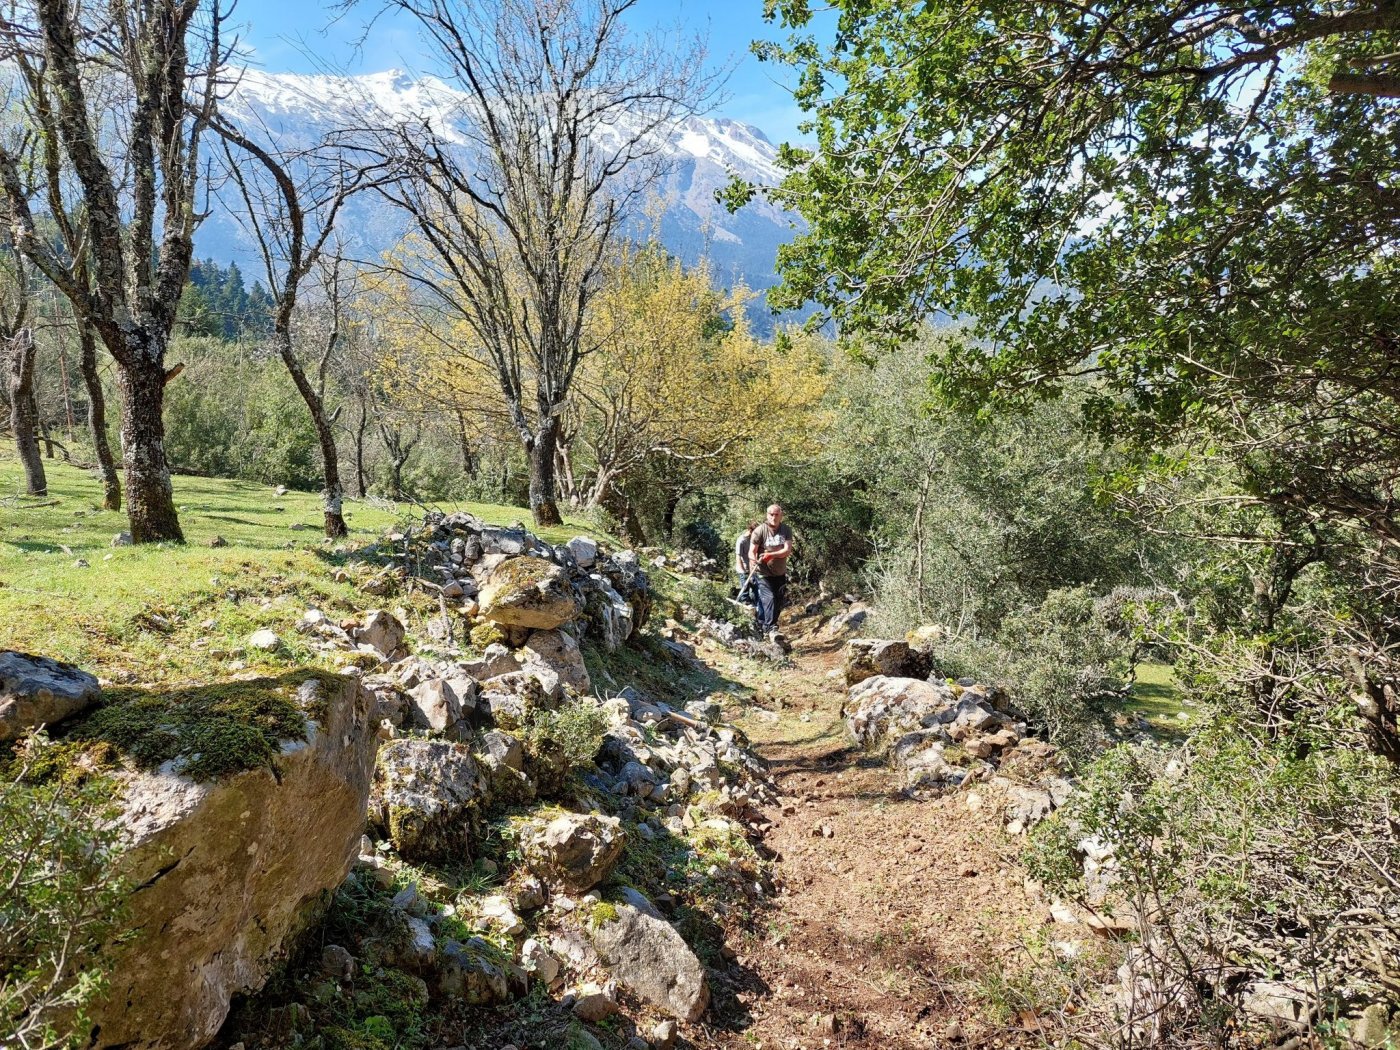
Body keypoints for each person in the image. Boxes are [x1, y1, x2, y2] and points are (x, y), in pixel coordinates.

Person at [748, 504, 794, 640]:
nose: (774, 517)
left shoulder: (786, 530)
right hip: (763, 573)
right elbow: (752, 551)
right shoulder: (759, 531)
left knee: (778, 601)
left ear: (781, 516)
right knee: (769, 598)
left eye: (776, 514)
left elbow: (787, 550)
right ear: (767, 515)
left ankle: (766, 626)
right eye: (771, 514)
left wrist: (772, 555)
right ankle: (771, 628)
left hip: (780, 573)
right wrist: (753, 559)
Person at [734, 520, 759, 604]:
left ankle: (757, 606)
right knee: (745, 589)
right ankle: (745, 604)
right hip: (743, 569)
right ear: (750, 530)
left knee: (756, 588)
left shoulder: (754, 540)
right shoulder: (741, 540)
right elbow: (738, 557)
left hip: (753, 568)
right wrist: (743, 571)